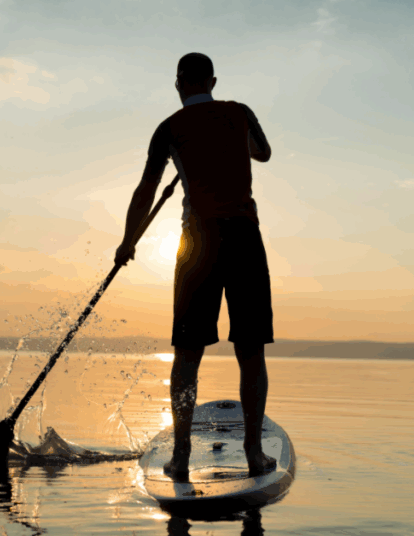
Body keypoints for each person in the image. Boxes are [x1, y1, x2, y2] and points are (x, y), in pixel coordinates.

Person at [115, 52, 275, 481]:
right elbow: (263, 153)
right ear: (213, 81)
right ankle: (255, 454)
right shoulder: (239, 113)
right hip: (243, 237)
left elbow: (145, 189)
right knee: (250, 350)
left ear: (178, 85)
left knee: (187, 354)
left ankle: (182, 454)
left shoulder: (167, 128)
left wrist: (127, 243)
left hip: (198, 241)